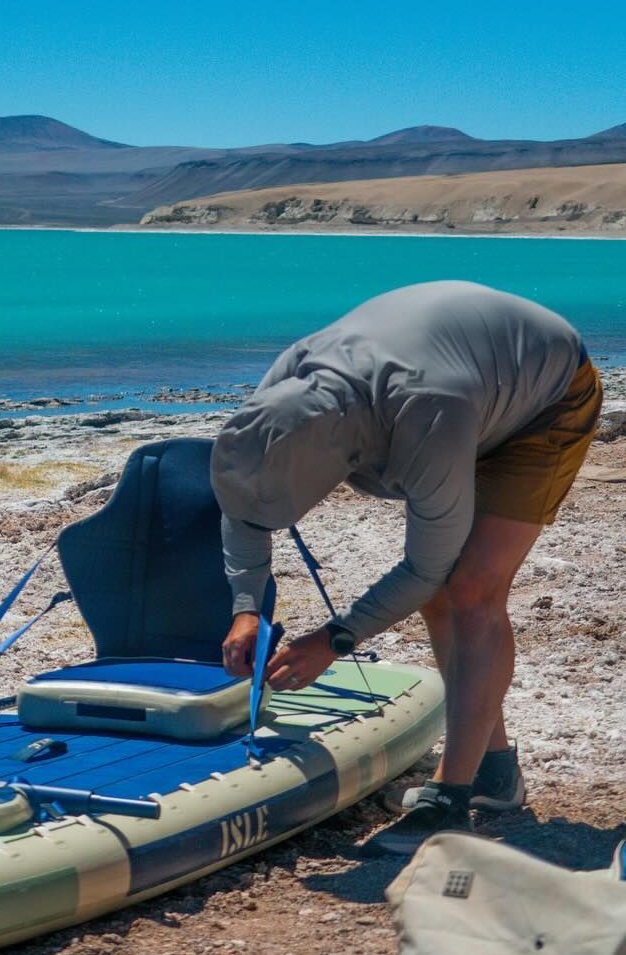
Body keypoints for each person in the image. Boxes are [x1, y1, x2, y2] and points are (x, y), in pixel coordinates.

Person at [210, 280, 602, 855]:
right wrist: (246, 609)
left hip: (544, 399)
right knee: (441, 594)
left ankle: (451, 798)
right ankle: (495, 774)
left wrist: (335, 640)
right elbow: (241, 510)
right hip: (468, 377)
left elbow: (426, 567)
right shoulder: (283, 389)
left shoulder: (427, 412)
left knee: (470, 589)